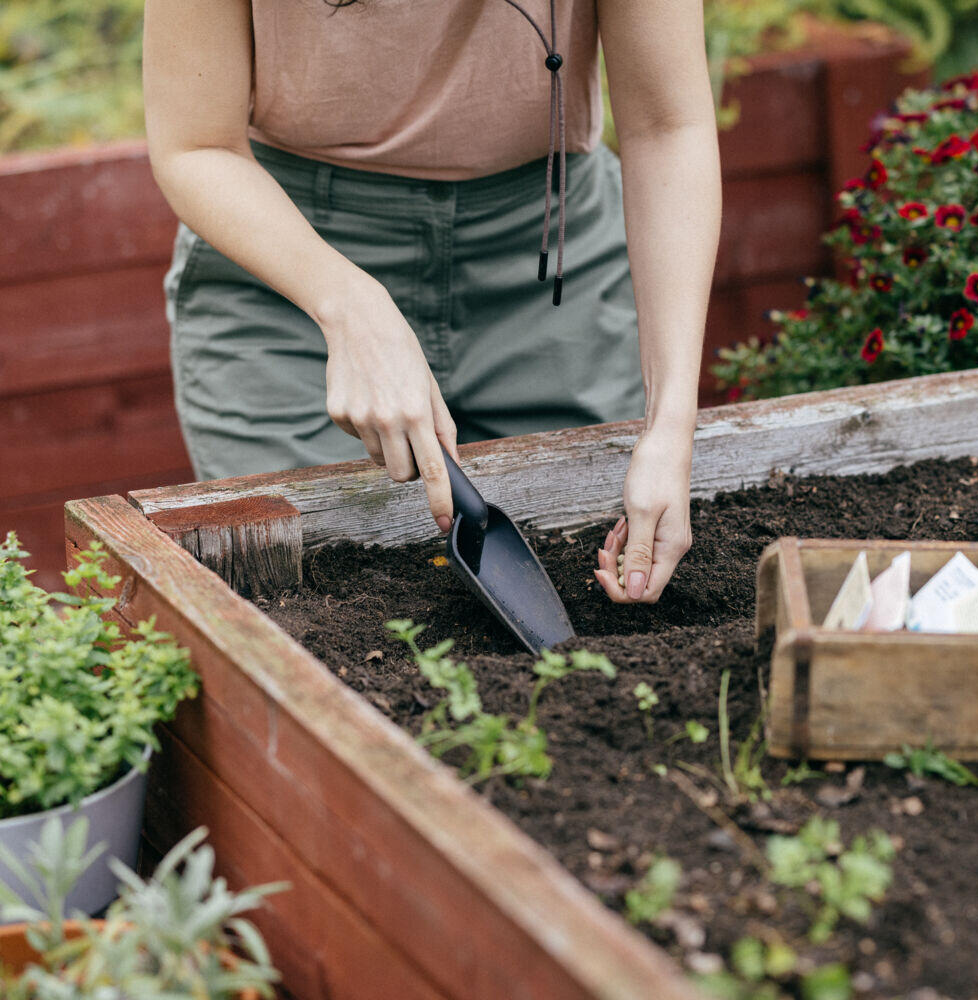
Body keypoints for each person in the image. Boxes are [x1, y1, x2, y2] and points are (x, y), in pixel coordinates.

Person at [143, 0, 721, 605]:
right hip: (291, 262)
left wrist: (671, 426)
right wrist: (348, 305)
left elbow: (667, 126)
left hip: (549, 257)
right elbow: (196, 145)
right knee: (317, 605)